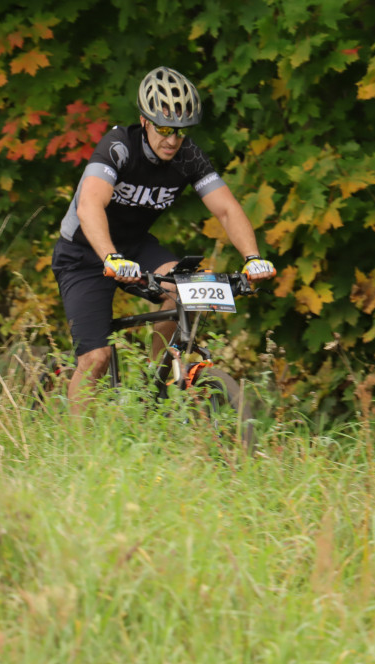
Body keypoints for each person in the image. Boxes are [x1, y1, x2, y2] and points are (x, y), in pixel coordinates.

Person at [51, 66, 276, 412]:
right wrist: (111, 257)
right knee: (95, 357)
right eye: (164, 128)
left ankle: (153, 391)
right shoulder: (118, 147)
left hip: (135, 246)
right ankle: (73, 448)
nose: (172, 140)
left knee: (182, 288)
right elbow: (89, 205)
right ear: (144, 120)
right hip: (83, 253)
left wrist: (252, 257)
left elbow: (228, 210)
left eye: (181, 131)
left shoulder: (188, 157)